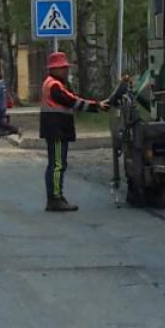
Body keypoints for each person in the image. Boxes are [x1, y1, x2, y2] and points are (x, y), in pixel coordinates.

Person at [40, 51, 109, 212]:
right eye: (62, 68)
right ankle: (55, 199)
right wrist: (96, 106)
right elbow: (71, 101)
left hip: (56, 129)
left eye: (66, 67)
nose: (66, 70)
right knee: (57, 165)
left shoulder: (55, 83)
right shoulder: (54, 85)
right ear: (54, 69)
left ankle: (56, 196)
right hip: (56, 130)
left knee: (56, 164)